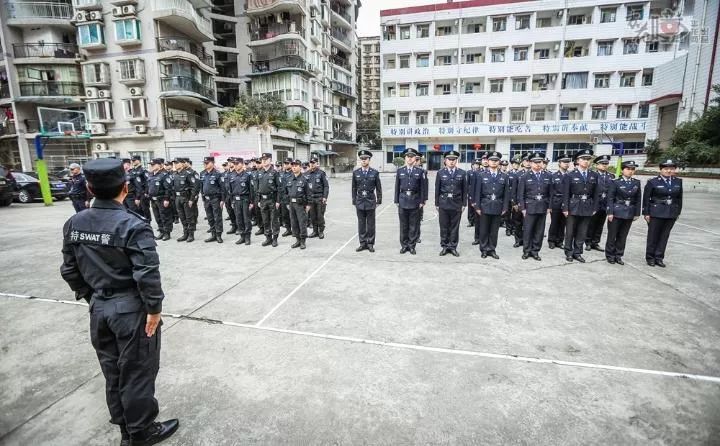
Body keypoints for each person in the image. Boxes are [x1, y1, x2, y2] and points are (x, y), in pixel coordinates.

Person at [60, 158, 179, 446]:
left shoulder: (75, 223)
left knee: (113, 371)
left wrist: (94, 297)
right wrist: (154, 310)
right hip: (131, 311)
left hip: (99, 308)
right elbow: (147, 274)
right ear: (125, 188)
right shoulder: (132, 224)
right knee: (137, 371)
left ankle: (126, 429)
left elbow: (69, 269)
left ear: (88, 188)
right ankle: (140, 433)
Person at [642, 158, 683, 267]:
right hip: (656, 212)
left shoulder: (678, 181)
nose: (669, 171)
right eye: (666, 169)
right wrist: (646, 213)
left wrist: (678, 212)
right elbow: (646, 199)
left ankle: (659, 257)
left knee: (664, 236)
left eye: (671, 168)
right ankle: (650, 257)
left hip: (671, 213)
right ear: (661, 170)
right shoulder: (652, 182)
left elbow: (679, 198)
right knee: (653, 236)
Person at [562, 149, 600, 262]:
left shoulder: (594, 175)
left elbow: (596, 193)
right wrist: (565, 208)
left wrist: (594, 207)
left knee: (582, 232)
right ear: (578, 160)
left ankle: (577, 252)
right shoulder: (570, 175)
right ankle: (569, 252)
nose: (586, 161)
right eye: (584, 159)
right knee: (570, 231)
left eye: (588, 159)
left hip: (587, 206)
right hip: (573, 205)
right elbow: (566, 193)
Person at [473, 151, 510, 259]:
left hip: (498, 206)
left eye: (496, 160)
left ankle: (492, 249)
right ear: (487, 161)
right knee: (484, 230)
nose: (494, 162)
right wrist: (477, 207)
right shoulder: (481, 175)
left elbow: (506, 193)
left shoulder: (504, 176)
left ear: (499, 162)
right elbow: (477, 192)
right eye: (492, 160)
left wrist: (505, 207)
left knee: (494, 231)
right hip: (485, 206)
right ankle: (484, 249)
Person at [517, 151, 552, 260]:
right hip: (529, 207)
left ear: (543, 163)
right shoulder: (524, 176)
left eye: (540, 162)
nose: (537, 164)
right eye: (535, 162)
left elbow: (551, 193)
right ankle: (527, 251)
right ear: (530, 163)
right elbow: (520, 194)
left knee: (539, 231)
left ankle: (535, 251)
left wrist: (549, 207)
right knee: (528, 230)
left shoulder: (548, 176)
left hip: (542, 207)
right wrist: (522, 208)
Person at [605, 160, 641, 265]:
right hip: (616, 211)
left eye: (632, 169)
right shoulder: (615, 182)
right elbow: (610, 198)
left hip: (629, 212)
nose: (630, 171)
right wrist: (610, 212)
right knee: (612, 235)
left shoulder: (636, 182)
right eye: (628, 169)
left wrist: (637, 213)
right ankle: (610, 255)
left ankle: (618, 255)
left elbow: (638, 198)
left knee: (623, 235)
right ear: (622, 170)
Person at [394, 148, 427, 254]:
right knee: (403, 225)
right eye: (408, 156)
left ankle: (412, 246)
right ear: (405, 158)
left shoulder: (420, 171)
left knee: (413, 225)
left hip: (415, 201)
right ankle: (404, 245)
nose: (409, 158)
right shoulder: (400, 171)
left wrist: (422, 201)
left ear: (415, 159)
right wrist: (396, 200)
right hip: (403, 200)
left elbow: (423, 187)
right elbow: (397, 187)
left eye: (412, 157)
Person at [435, 150, 467, 257]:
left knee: (454, 227)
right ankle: (445, 246)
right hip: (443, 203)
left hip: (456, 203)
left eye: (454, 160)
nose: (452, 162)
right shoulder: (440, 173)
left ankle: (453, 247)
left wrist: (464, 204)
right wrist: (436, 204)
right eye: (449, 159)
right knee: (444, 226)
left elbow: (464, 190)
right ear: (445, 160)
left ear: (456, 161)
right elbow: (437, 189)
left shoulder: (462, 173)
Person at [352, 150, 382, 252]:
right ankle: (362, 243)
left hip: (370, 201)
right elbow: (354, 188)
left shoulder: (374, 173)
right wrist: (354, 201)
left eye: (366, 159)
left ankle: (370, 243)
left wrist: (379, 200)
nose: (364, 161)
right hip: (360, 201)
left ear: (369, 160)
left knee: (370, 224)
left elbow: (378, 188)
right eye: (362, 159)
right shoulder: (356, 173)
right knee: (361, 224)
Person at [585, 155, 614, 251]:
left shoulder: (611, 176)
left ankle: (595, 242)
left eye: (606, 164)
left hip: (605, 204)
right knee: (591, 223)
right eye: (602, 164)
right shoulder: (592, 175)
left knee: (600, 224)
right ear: (597, 165)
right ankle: (588, 242)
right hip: (594, 203)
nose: (605, 166)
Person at [255, 152, 280, 247]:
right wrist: (258, 200)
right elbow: (257, 189)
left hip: (272, 199)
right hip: (263, 200)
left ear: (270, 160)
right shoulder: (259, 173)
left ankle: (275, 238)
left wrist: (278, 201)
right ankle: (268, 238)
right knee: (265, 220)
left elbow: (279, 188)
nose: (264, 161)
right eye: (263, 159)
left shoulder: (274, 173)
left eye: (266, 159)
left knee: (274, 220)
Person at [285, 159, 311, 249]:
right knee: (294, 222)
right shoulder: (289, 179)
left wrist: (308, 204)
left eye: (296, 165)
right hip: (291, 204)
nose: (294, 167)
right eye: (292, 166)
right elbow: (286, 192)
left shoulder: (304, 179)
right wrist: (287, 203)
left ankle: (303, 241)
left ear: (300, 167)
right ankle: (297, 240)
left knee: (302, 222)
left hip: (300, 204)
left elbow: (309, 193)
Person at [548, 152, 571, 249]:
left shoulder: (570, 175)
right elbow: (550, 192)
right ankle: (551, 240)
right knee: (554, 222)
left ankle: (559, 241)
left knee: (563, 223)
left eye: (567, 162)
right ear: (559, 163)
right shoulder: (553, 176)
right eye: (564, 162)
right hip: (556, 201)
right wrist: (549, 206)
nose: (566, 164)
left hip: (567, 203)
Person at [173, 158, 200, 242]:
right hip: (178, 198)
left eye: (177, 163)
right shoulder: (175, 174)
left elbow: (194, 187)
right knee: (182, 217)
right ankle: (185, 234)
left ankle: (191, 235)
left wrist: (192, 199)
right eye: (175, 163)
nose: (175, 165)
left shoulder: (188, 174)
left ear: (182, 164)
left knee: (189, 217)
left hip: (186, 198)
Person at [229, 157, 254, 245]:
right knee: (238, 219)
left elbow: (251, 190)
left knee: (246, 219)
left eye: (237, 164)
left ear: (242, 164)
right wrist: (232, 201)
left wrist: (251, 202)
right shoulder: (232, 175)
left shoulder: (247, 175)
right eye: (234, 164)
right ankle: (242, 236)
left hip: (245, 199)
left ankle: (247, 237)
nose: (235, 166)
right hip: (236, 200)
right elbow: (230, 190)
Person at [147, 158, 173, 241]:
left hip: (161, 199)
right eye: (151, 165)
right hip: (153, 200)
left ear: (159, 165)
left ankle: (167, 233)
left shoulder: (164, 174)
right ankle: (161, 231)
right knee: (157, 217)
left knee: (165, 216)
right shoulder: (151, 174)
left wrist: (166, 199)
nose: (151, 166)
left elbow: (168, 188)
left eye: (153, 165)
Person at [200, 156, 224, 243]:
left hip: (215, 199)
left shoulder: (218, 174)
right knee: (210, 217)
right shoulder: (202, 174)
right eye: (204, 163)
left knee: (217, 217)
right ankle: (213, 234)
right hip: (207, 199)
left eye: (207, 163)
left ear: (212, 163)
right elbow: (201, 187)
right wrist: (203, 198)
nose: (205, 165)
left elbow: (222, 188)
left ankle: (218, 235)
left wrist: (222, 200)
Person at [306, 158, 329, 238]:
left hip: (319, 198)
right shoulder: (306, 173)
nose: (312, 164)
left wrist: (325, 197)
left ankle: (321, 231)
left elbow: (326, 186)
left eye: (313, 162)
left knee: (320, 216)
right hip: (311, 198)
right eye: (311, 163)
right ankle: (315, 231)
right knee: (312, 216)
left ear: (317, 163)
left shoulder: (321, 173)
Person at [221, 158, 237, 235]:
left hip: (235, 196)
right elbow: (223, 187)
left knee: (237, 212)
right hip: (227, 196)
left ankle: (239, 227)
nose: (230, 163)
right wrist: (223, 199)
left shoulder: (236, 173)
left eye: (232, 162)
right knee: (230, 212)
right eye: (229, 162)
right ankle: (234, 226)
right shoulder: (225, 174)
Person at [279, 158, 294, 237]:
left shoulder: (294, 173)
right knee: (285, 215)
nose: (285, 165)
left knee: (293, 216)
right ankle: (288, 230)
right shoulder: (281, 174)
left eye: (287, 163)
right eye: (285, 163)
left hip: (291, 198)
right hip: (283, 198)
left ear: (291, 164)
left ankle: (295, 230)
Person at [466, 160, 481, 229]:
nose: (476, 166)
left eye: (478, 165)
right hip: (470, 193)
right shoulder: (469, 172)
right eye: (475, 164)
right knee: (470, 208)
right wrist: (468, 192)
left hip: (477, 192)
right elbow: (467, 183)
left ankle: (476, 221)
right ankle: (470, 221)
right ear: (472, 165)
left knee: (477, 207)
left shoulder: (481, 172)